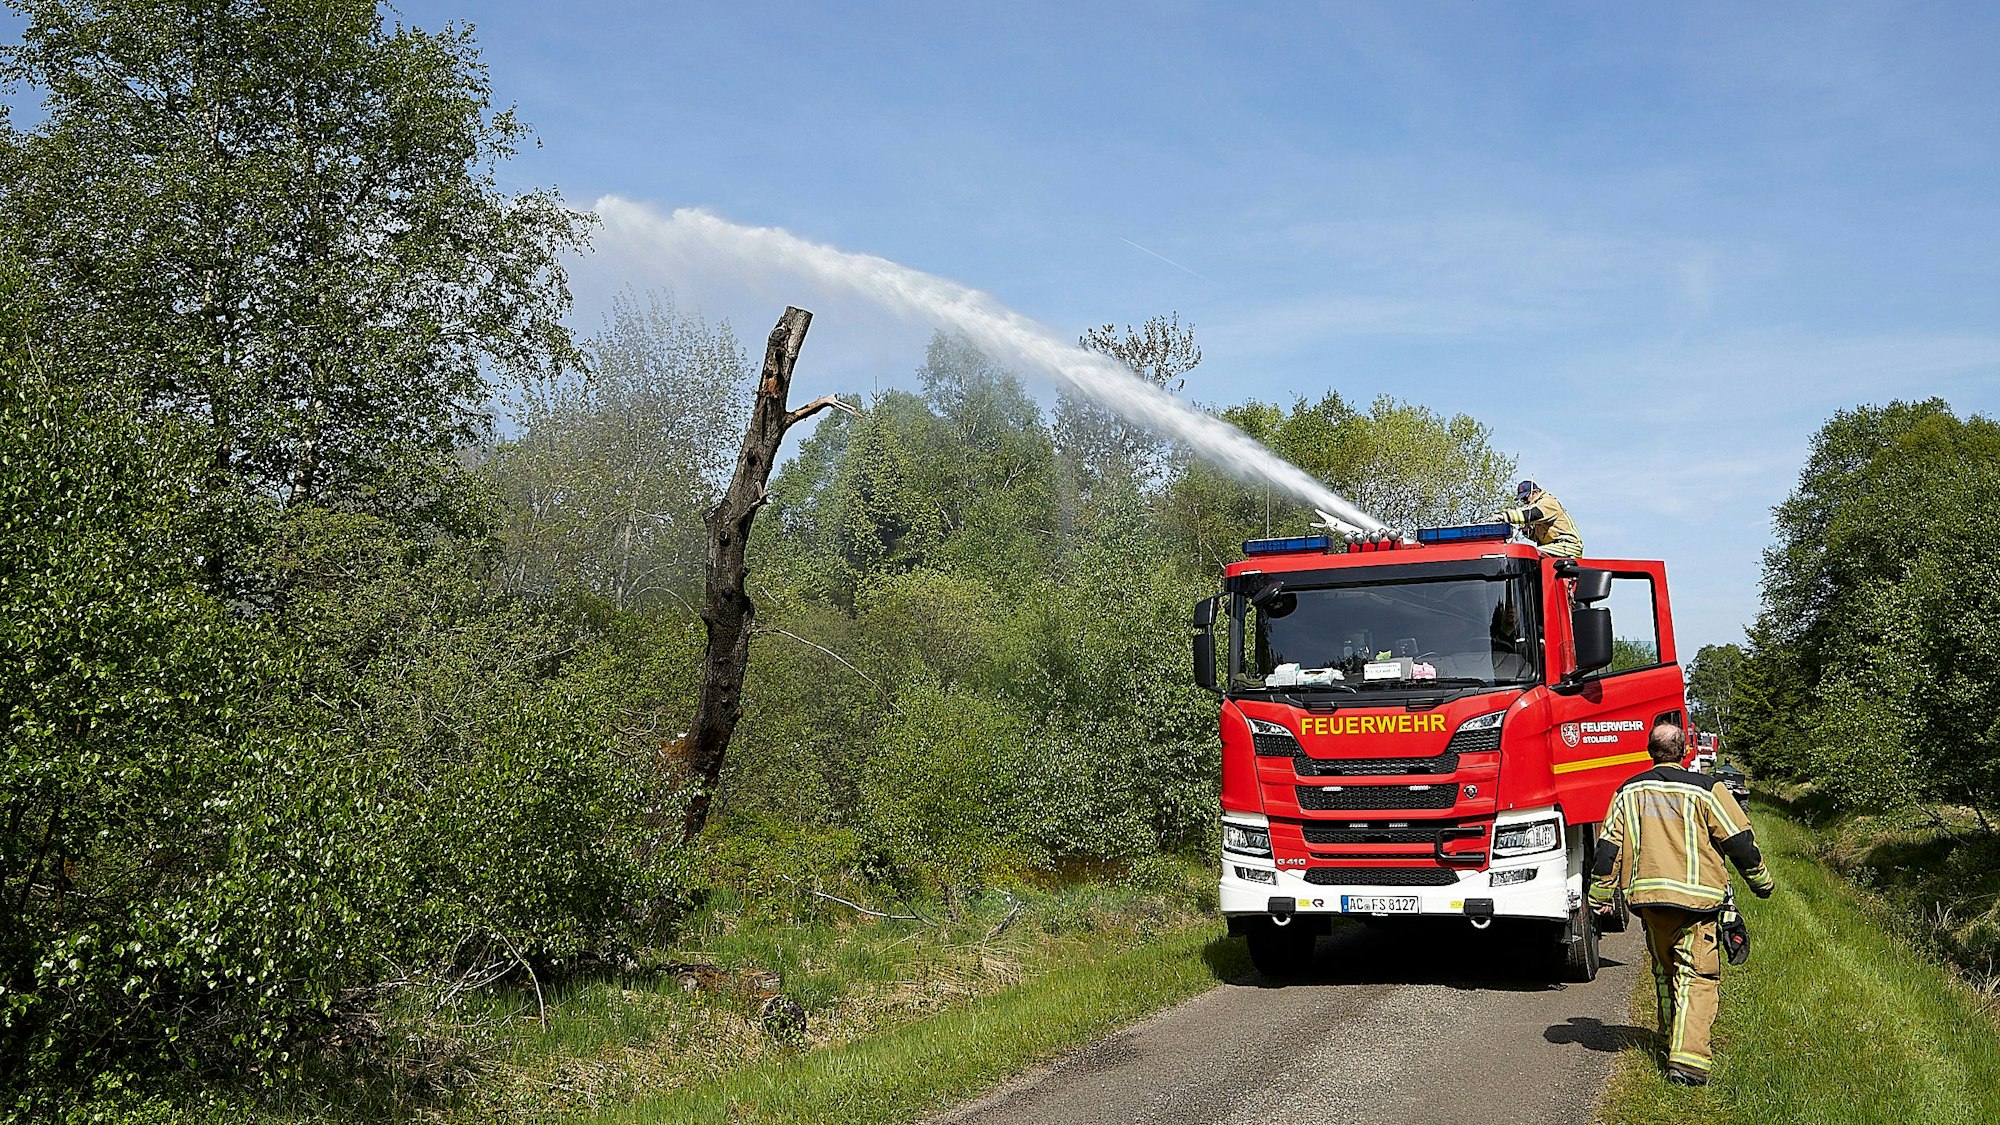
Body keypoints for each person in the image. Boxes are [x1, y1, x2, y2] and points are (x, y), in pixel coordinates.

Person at [1589, 722, 1775, 1086]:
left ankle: (1669, 1038)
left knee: (1664, 970)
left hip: (1649, 903)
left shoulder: (1629, 792)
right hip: (1697, 904)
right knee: (1698, 976)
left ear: (1649, 751)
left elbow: (1608, 848)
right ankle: (1688, 1063)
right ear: (1685, 751)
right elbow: (1739, 841)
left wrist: (1599, 896)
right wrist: (1761, 883)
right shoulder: (1707, 790)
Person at [1501, 480, 1584, 558]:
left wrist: (1504, 516)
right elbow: (1536, 536)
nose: (1524, 502)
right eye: (1522, 500)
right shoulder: (1536, 509)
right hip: (1554, 546)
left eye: (1525, 498)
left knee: (1531, 554)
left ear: (1536, 492)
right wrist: (1526, 530)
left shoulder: (1548, 502)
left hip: (1568, 545)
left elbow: (1533, 514)